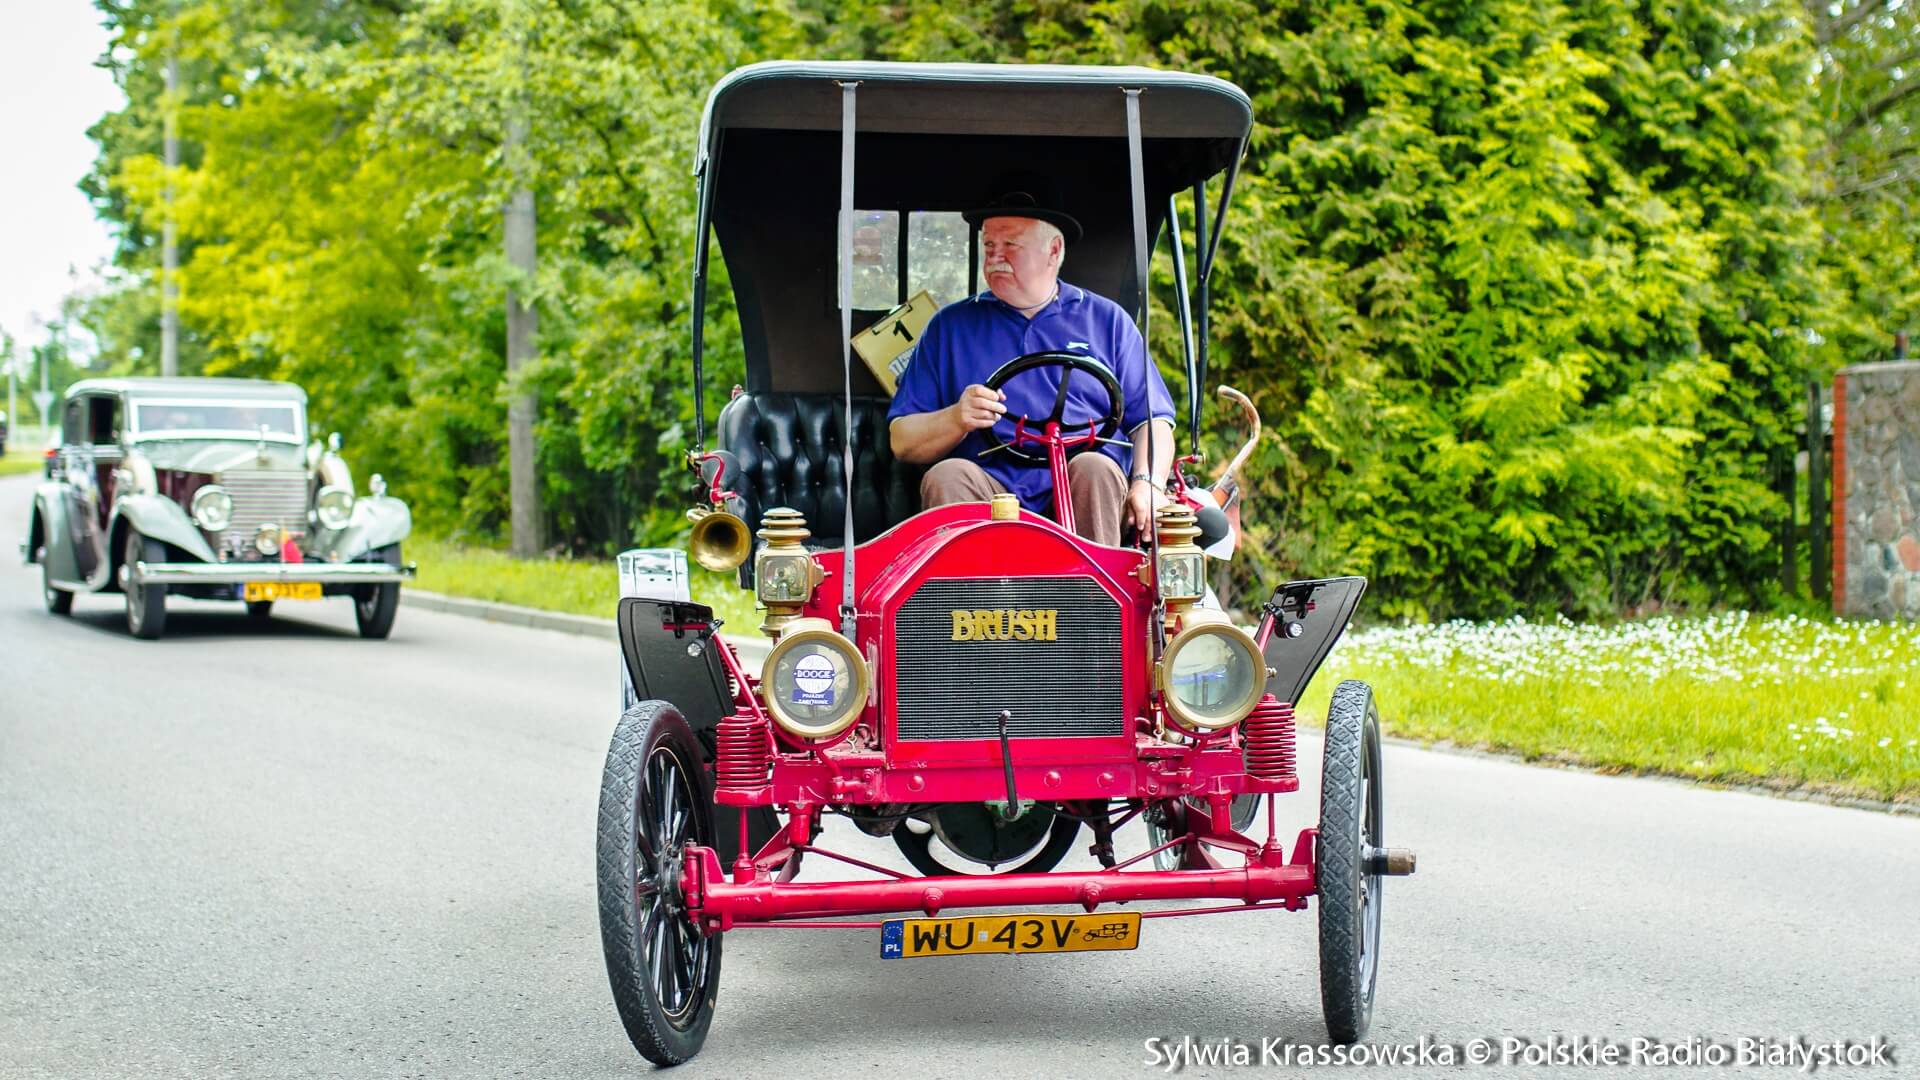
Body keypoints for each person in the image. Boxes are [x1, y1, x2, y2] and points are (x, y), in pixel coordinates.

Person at [887, 182, 1175, 548]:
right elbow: (901, 442)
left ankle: (1094, 602)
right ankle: (965, 604)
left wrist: (1148, 484)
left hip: (1085, 488)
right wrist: (956, 417)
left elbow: (1153, 421)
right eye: (988, 245)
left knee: (1095, 467)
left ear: (1054, 251)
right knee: (947, 475)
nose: (994, 257)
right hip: (988, 491)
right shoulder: (949, 327)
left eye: (1010, 245)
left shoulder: (1107, 321)